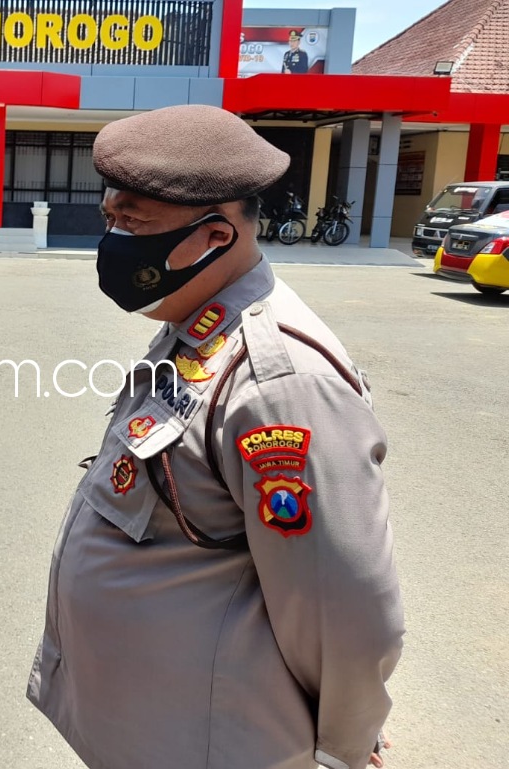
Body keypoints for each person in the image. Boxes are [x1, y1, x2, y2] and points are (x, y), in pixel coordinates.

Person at [27, 105, 404, 769]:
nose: (111, 240)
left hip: (210, 743)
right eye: (110, 217)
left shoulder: (280, 383)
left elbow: (343, 606)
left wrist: (340, 747)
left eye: (131, 222)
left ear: (213, 238)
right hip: (156, 727)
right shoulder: (198, 324)